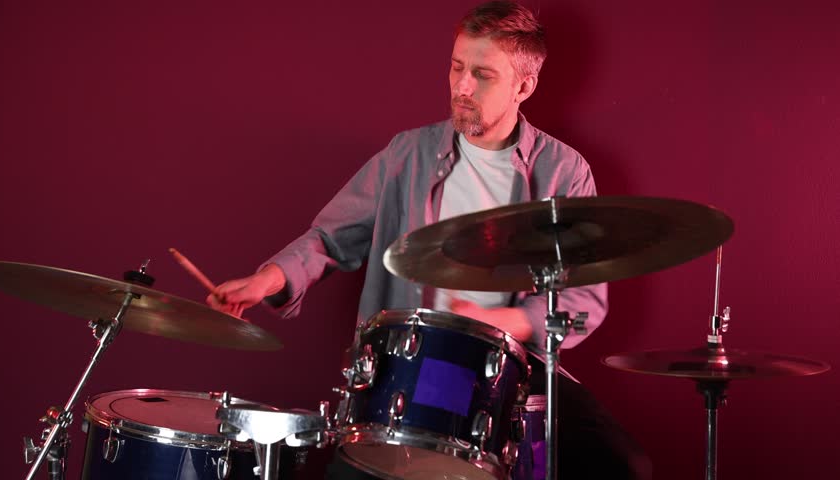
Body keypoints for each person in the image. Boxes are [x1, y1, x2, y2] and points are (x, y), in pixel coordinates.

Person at [208, 1, 651, 479]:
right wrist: (268, 279)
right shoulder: (407, 155)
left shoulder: (563, 170)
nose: (462, 87)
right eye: (457, 67)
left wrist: (499, 321)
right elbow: (329, 238)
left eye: (482, 75)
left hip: (509, 374)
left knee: (623, 465)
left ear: (524, 86)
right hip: (406, 363)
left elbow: (582, 299)